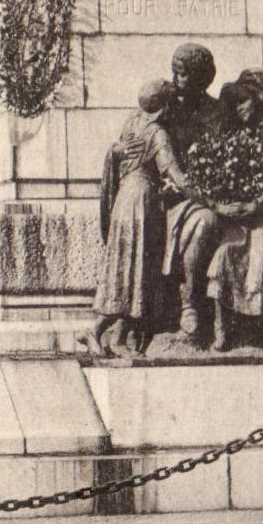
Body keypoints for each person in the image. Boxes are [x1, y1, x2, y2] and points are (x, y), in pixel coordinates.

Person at [79, 80, 179, 357]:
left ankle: (118, 336)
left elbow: (118, 153)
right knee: (135, 270)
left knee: (131, 270)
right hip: (141, 205)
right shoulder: (158, 134)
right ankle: (98, 331)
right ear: (165, 108)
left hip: (125, 202)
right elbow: (173, 172)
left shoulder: (132, 122)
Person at [205, 69, 263, 355]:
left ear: (258, 101)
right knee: (222, 259)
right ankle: (221, 331)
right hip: (239, 216)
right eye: (236, 104)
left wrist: (254, 204)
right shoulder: (233, 134)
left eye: (244, 102)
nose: (239, 109)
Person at [160, 44, 225, 345]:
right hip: (171, 198)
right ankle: (185, 306)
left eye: (183, 74)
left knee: (206, 223)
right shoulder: (166, 107)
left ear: (201, 78)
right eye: (174, 71)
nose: (176, 79)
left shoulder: (217, 113)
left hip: (205, 197)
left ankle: (191, 302)